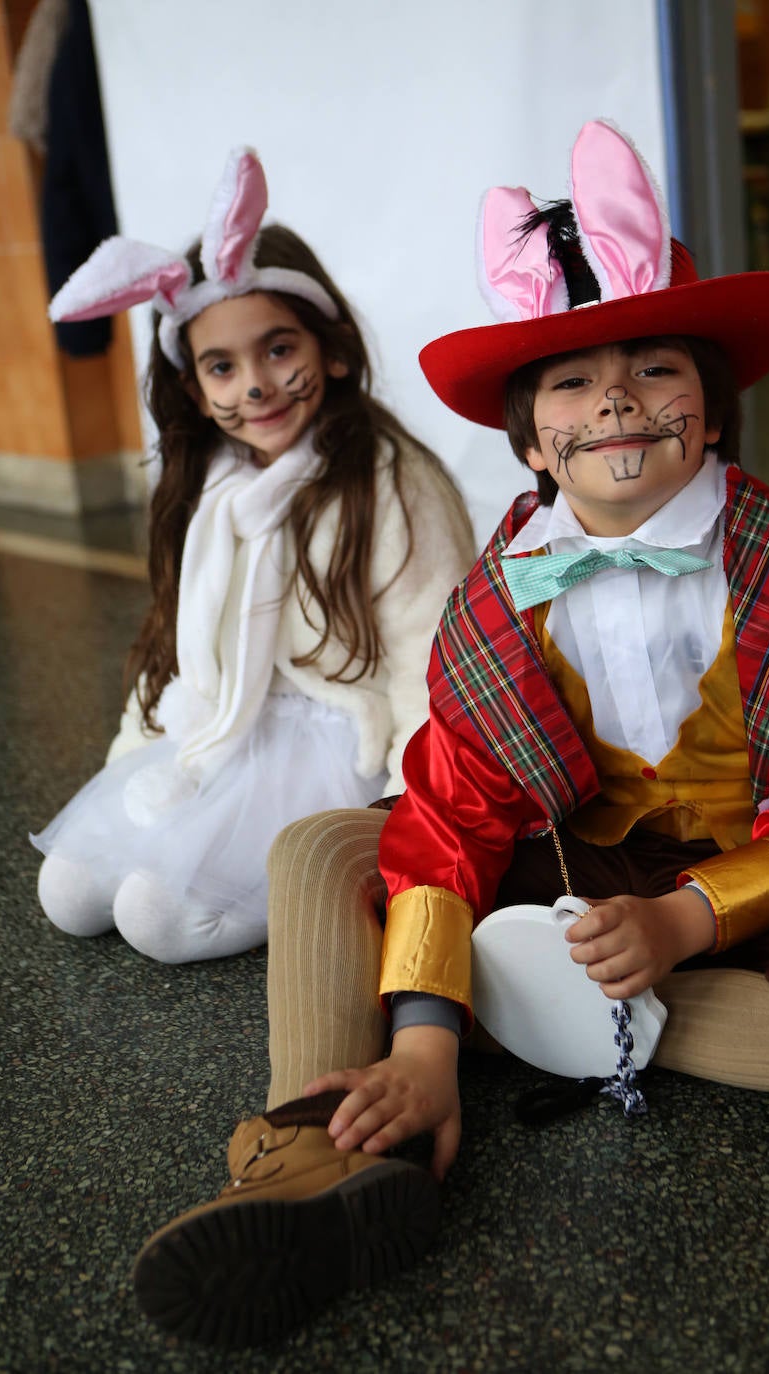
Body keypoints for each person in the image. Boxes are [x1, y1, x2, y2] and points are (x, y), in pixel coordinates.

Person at [130, 121, 769, 1345]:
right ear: (532, 441)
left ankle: (526, 1012)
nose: (617, 404)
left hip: (757, 884)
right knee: (317, 852)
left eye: (654, 370)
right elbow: (451, 811)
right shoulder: (501, 594)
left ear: (712, 408)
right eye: (574, 385)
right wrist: (427, 1039)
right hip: (566, 859)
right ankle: (325, 1138)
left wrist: (685, 919)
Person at [31, 146, 476, 963]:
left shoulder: (390, 483)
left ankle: (290, 884)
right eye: (223, 368)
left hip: (340, 747)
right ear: (196, 391)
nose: (256, 388)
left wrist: (410, 818)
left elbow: (431, 661)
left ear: (332, 350)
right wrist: (135, 761)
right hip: (224, 724)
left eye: (279, 351)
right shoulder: (211, 490)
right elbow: (174, 643)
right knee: (66, 888)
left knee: (156, 918)